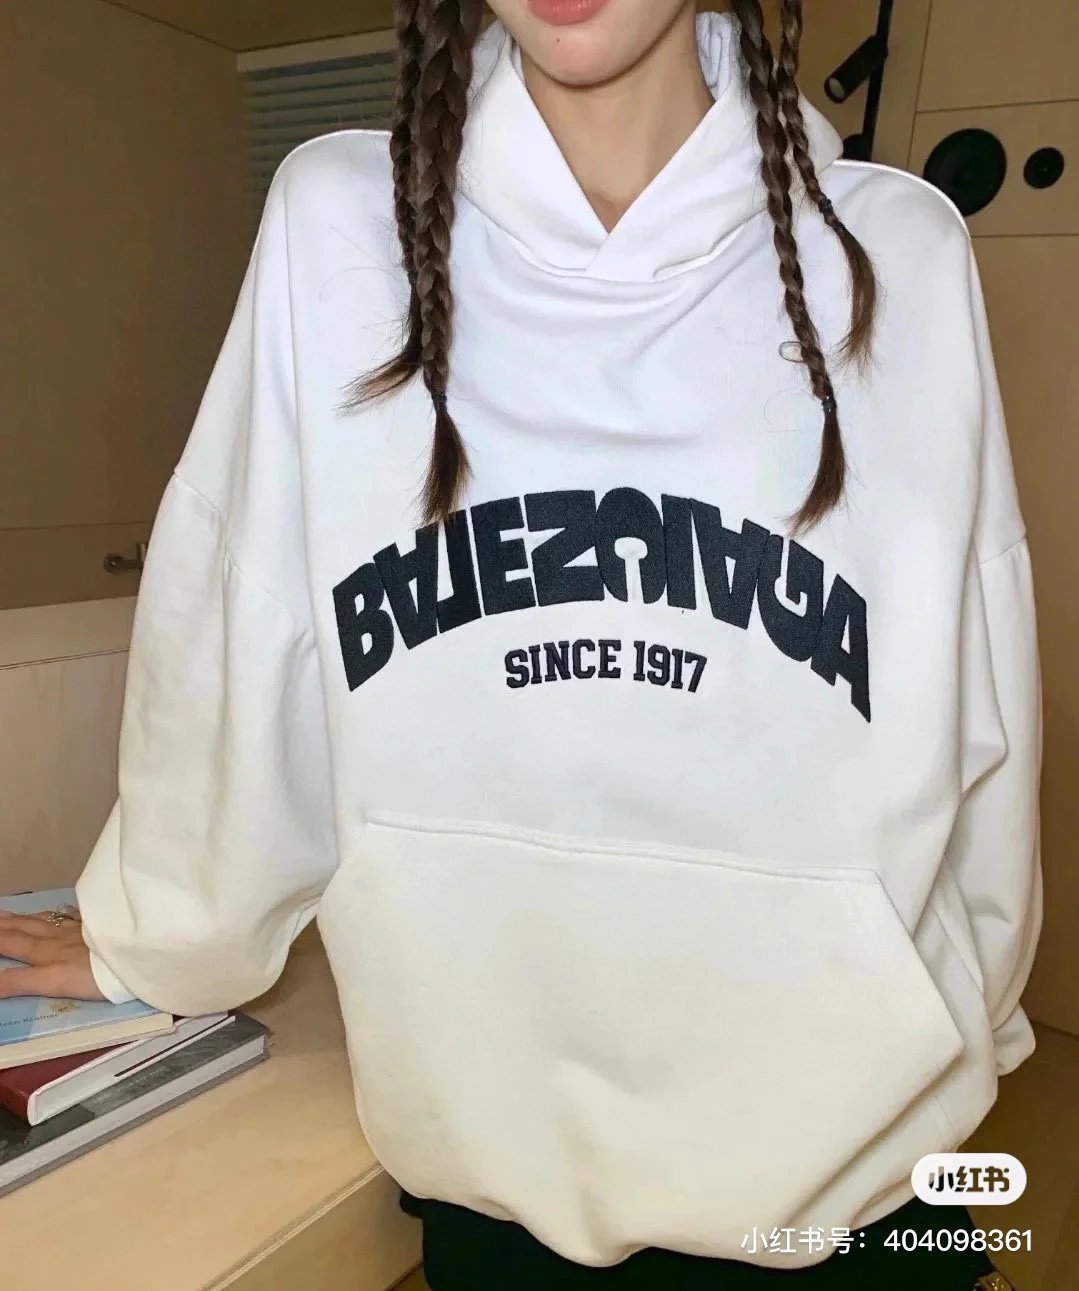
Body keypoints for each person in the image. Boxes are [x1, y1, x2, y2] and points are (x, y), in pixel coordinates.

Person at [0, 2, 1040, 1287]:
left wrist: (974, 1013)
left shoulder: (897, 249)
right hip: (495, 1190)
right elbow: (244, 622)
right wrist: (158, 931)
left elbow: (978, 679)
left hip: (851, 1196)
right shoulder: (337, 222)